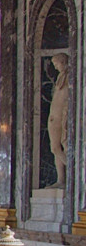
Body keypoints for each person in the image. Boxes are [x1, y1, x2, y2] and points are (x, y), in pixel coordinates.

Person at [47, 53, 69, 188]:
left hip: (62, 117)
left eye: (57, 64)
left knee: (59, 147)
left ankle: (74, 173)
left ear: (64, 61)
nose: (55, 67)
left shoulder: (71, 76)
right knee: (54, 148)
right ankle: (61, 180)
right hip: (54, 118)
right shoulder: (61, 77)